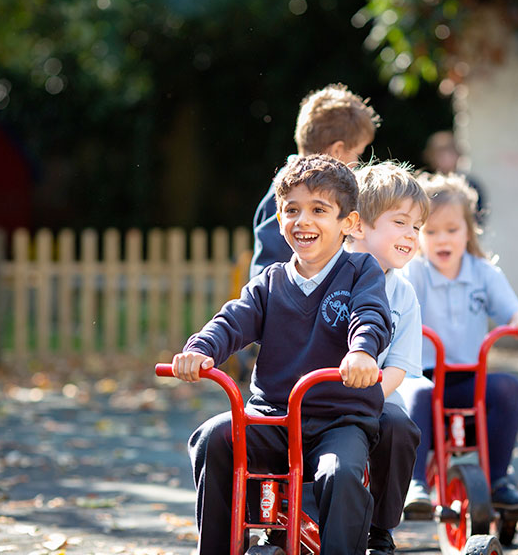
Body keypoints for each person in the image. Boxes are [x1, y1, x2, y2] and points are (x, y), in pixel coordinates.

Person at [173, 154, 392, 555]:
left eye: (318, 210)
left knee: (341, 474)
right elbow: (233, 320)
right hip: (273, 416)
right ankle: (220, 548)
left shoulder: (362, 270)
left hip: (339, 419)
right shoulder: (269, 282)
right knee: (214, 439)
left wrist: (362, 352)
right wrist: (200, 349)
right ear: (278, 219)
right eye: (292, 210)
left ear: (350, 223)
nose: (303, 221)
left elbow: (371, 315)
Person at [399, 172, 518, 516]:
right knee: (416, 393)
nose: (441, 239)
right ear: (417, 234)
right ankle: (415, 484)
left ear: (468, 230)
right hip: (425, 376)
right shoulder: (414, 272)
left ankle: (497, 481)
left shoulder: (483, 273)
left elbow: (512, 308)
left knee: (508, 388)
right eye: (430, 231)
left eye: (452, 230)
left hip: (468, 381)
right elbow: (397, 307)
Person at [346, 161, 429, 555]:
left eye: (416, 227)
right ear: (359, 225)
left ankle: (380, 527)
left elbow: (398, 365)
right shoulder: (329, 275)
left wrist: (372, 393)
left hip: (375, 397)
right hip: (318, 397)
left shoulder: (403, 295)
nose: (412, 235)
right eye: (401, 222)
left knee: (399, 428)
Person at [250, 83, 381, 279]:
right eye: (358, 155)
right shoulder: (287, 193)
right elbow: (266, 271)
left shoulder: (331, 192)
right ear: (337, 151)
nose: (356, 165)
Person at [422, 130, 486, 224]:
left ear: (457, 155)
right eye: (440, 155)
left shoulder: (470, 185)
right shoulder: (427, 184)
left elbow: (478, 217)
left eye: (449, 154)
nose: (444, 159)